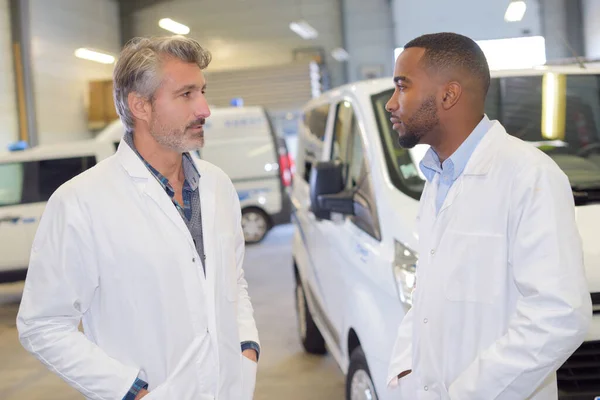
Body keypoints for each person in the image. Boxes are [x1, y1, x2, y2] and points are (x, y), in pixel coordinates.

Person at [17, 36, 260, 400]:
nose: (205, 109)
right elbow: (42, 324)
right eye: (186, 94)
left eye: (203, 92)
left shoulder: (218, 186)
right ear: (140, 106)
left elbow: (233, 280)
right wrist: (130, 391)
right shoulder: (80, 202)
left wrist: (246, 347)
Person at [385, 32, 592, 399]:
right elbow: (427, 300)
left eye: (402, 87)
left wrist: (465, 394)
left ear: (448, 95)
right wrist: (404, 375)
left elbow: (560, 314)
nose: (391, 104)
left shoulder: (528, 176)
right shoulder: (438, 178)